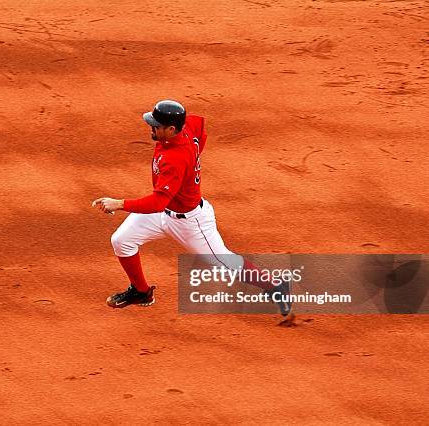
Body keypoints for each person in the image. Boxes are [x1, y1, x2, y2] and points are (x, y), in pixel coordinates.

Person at [92, 100, 291, 316]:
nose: (152, 128)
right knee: (121, 240)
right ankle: (141, 292)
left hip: (190, 222)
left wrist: (119, 204)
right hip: (163, 213)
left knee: (225, 262)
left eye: (156, 126)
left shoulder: (174, 159)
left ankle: (276, 286)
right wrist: (193, 158)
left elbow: (158, 202)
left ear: (171, 129)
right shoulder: (186, 127)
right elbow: (201, 128)